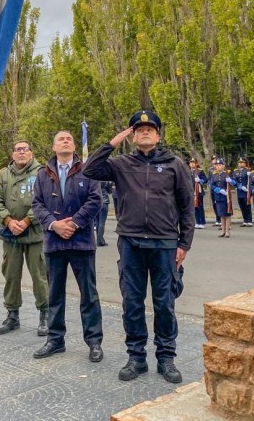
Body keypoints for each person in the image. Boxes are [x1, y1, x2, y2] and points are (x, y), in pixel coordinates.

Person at [83, 109, 194, 384]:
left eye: (149, 128)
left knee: (164, 304)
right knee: (132, 303)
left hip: (165, 243)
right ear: (132, 136)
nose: (144, 131)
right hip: (131, 242)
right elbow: (90, 169)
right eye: (138, 129)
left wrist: (184, 243)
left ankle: (166, 358)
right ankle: (136, 357)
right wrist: (111, 143)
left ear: (158, 134)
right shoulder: (122, 164)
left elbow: (186, 206)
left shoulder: (174, 164)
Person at [31, 130, 104, 362]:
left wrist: (73, 222)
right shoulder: (43, 174)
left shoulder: (88, 170)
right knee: (54, 293)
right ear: (53, 147)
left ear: (74, 147)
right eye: (61, 139)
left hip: (81, 241)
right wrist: (53, 224)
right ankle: (55, 340)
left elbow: (96, 200)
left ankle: (94, 342)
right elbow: (37, 204)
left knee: (89, 294)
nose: (65, 141)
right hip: (54, 241)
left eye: (69, 139)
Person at [0, 141, 49, 337]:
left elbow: (46, 199)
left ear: (31, 153)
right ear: (13, 153)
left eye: (25, 149)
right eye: (18, 150)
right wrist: (8, 220)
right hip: (11, 235)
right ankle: (12, 315)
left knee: (40, 276)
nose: (21, 153)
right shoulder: (4, 174)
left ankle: (45, 315)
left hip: (34, 234)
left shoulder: (42, 172)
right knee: (11, 275)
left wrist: (26, 221)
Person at [209, 159, 234, 237]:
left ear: (223, 166)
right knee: (221, 214)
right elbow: (211, 184)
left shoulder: (227, 174)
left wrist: (230, 181)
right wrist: (218, 190)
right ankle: (223, 230)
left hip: (226, 197)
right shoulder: (214, 174)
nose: (218, 166)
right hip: (218, 196)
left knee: (227, 214)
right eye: (217, 165)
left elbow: (234, 183)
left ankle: (227, 231)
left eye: (220, 165)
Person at [231, 158, 253, 227]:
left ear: (245, 163)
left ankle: (249, 220)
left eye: (242, 162)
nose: (241, 164)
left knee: (247, 206)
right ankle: (245, 220)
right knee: (241, 206)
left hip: (246, 191)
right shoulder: (235, 171)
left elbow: (251, 181)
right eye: (240, 163)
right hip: (239, 191)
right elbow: (234, 181)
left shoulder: (248, 170)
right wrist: (239, 186)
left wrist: (248, 188)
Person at [189, 159, 207, 229]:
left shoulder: (200, 171)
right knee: (194, 208)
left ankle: (202, 222)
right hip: (191, 191)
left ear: (196, 163)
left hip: (198, 191)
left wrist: (200, 180)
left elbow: (205, 179)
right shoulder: (188, 171)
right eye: (191, 162)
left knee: (200, 207)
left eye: (193, 162)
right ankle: (197, 222)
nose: (192, 164)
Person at [95, 181, 112, 246]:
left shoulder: (94, 178)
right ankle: (100, 241)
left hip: (96, 202)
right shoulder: (106, 180)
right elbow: (110, 191)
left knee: (97, 222)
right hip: (104, 202)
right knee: (102, 222)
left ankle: (99, 239)